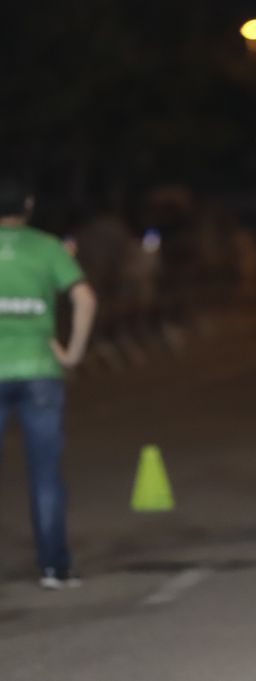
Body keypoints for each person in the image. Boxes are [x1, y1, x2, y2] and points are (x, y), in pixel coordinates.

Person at [0, 178, 97, 589]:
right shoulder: (47, 247)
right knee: (45, 473)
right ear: (29, 204)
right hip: (40, 368)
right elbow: (85, 298)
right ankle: (55, 567)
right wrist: (72, 353)